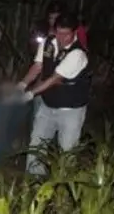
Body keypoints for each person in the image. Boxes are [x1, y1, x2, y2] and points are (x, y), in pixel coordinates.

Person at [16, 12, 92, 176]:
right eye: (59, 32)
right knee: (36, 145)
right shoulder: (48, 42)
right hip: (47, 105)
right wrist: (22, 84)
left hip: (70, 110)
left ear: (74, 32)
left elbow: (55, 79)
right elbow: (38, 67)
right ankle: (34, 180)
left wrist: (30, 94)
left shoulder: (77, 54)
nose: (62, 37)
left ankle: (64, 187)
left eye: (67, 34)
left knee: (67, 151)